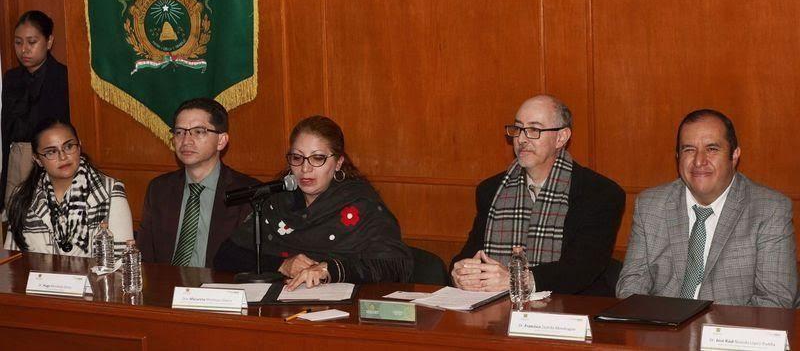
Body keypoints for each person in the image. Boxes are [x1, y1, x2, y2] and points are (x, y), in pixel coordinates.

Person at [617, 109, 797, 307]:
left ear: (734, 155)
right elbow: (631, 286)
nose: (699, 161)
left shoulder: (769, 210)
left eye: (712, 149)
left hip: (730, 333)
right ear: (678, 156)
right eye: (689, 149)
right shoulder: (651, 205)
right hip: (664, 329)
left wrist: (712, 333)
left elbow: (775, 301)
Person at [451, 95, 625, 295]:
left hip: (572, 312)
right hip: (496, 312)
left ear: (561, 137)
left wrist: (517, 280)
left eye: (534, 129)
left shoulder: (600, 193)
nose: (521, 139)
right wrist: (459, 272)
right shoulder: (492, 190)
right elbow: (471, 253)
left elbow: (581, 270)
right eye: (518, 129)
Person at [215, 115, 413, 289]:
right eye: (297, 158)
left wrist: (329, 269)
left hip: (344, 315)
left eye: (317, 158)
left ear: (339, 162)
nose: (305, 169)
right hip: (283, 308)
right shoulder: (278, 202)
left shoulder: (360, 204)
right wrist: (281, 264)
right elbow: (225, 255)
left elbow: (395, 264)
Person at [137, 97, 257, 267]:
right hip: (165, 288)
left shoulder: (248, 193)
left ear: (221, 141)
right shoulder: (159, 189)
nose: (186, 141)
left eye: (199, 132)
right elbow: (145, 257)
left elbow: (249, 261)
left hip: (221, 289)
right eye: (179, 132)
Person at [4, 118, 132, 257]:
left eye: (69, 146)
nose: (63, 156)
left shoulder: (109, 190)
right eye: (51, 152)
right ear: (37, 159)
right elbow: (14, 260)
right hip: (38, 278)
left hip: (94, 278)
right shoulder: (23, 195)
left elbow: (122, 260)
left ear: (79, 146)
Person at [1, 11, 70, 212]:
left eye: (32, 42)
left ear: (49, 41)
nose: (24, 50)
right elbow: (6, 130)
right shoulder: (11, 78)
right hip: (16, 160)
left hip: (50, 161)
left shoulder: (64, 77)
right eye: (18, 42)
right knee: (18, 227)